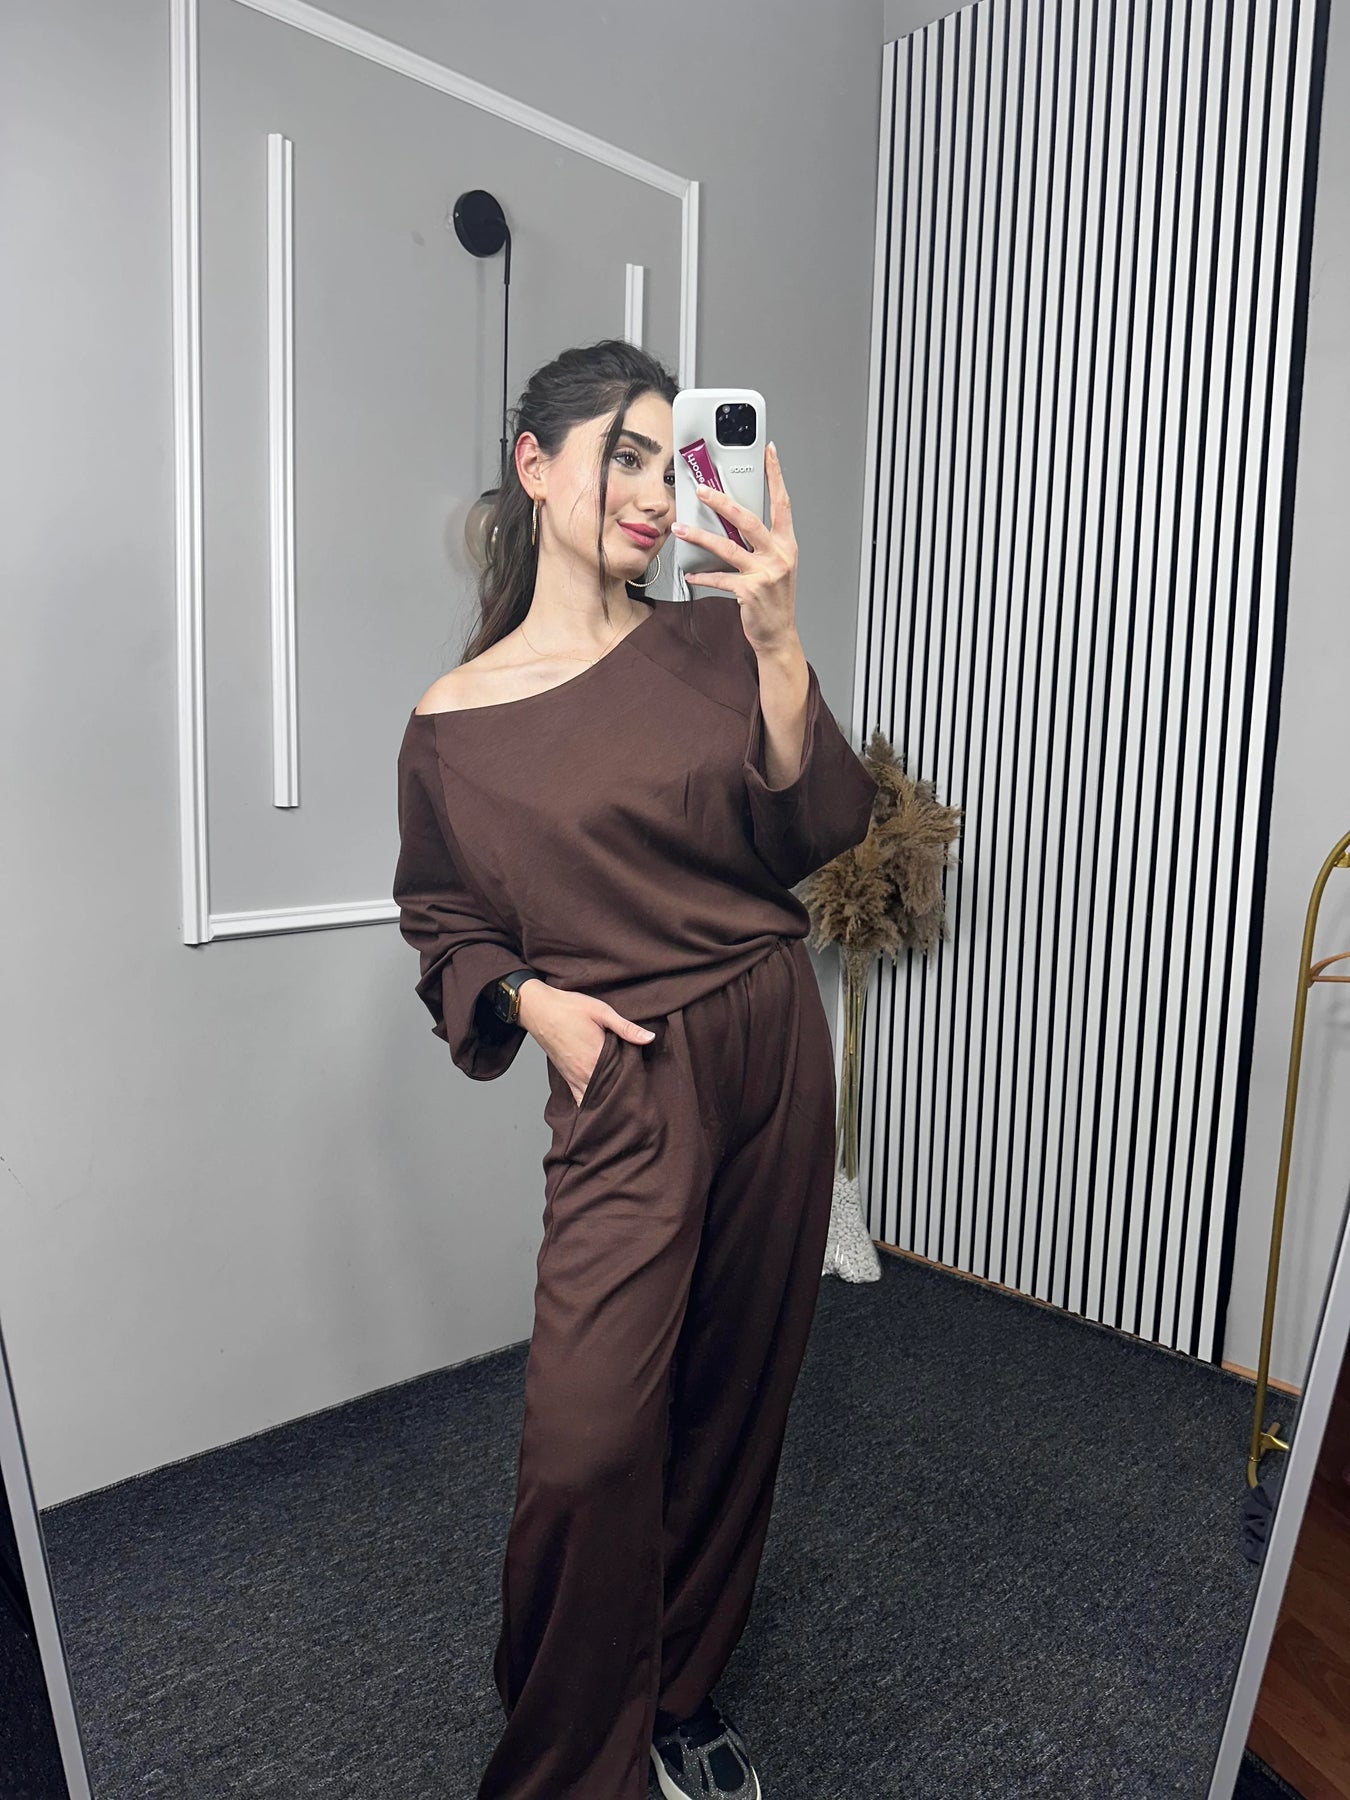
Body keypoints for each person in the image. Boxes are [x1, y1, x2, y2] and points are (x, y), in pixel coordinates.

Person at [392, 339, 878, 1800]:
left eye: (673, 462)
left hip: (770, 1036)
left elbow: (818, 829)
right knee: (589, 1438)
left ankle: (676, 1688)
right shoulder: (452, 724)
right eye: (624, 454)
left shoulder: (715, 644)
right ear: (534, 466)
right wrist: (530, 1003)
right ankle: (564, 1750)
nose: (658, 494)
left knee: (735, 1391)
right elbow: (443, 921)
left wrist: (779, 640)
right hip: (626, 1074)